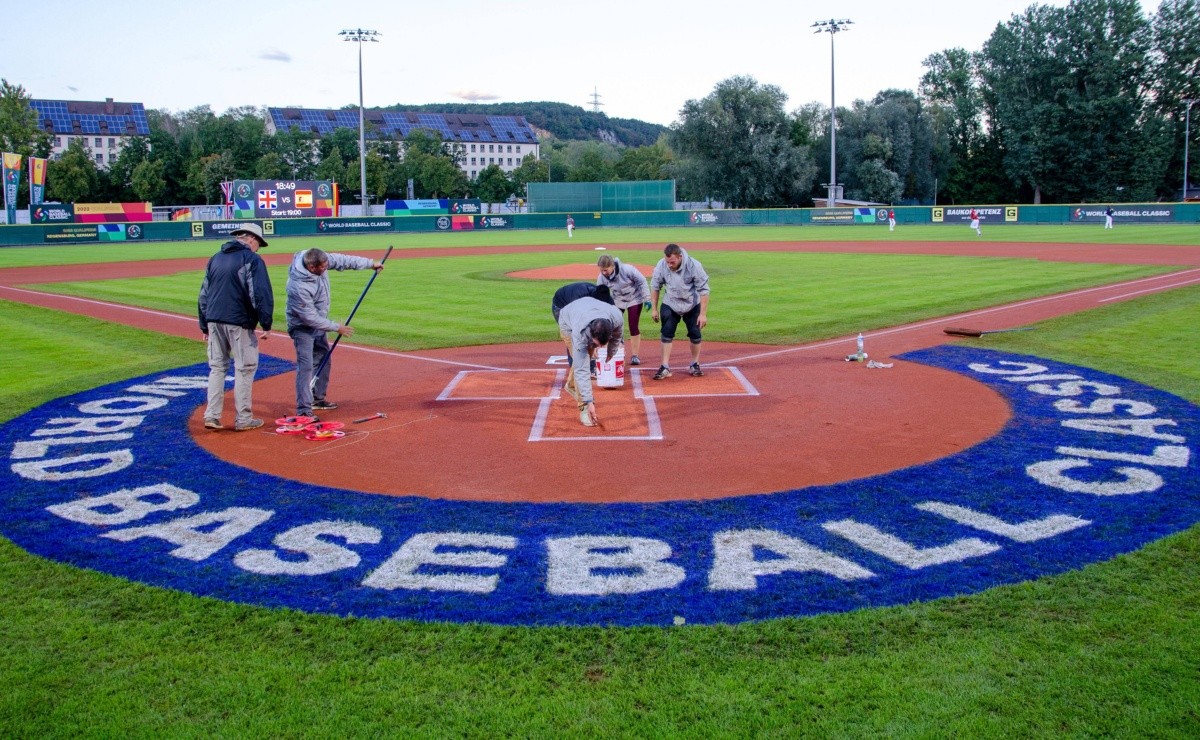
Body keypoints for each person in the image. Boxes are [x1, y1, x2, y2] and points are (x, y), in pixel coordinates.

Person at [285, 247, 383, 419]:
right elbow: (309, 318)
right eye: (322, 268)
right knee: (306, 366)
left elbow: (343, 260)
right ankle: (303, 410)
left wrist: (370, 264)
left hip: (319, 323)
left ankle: (317, 398)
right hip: (302, 327)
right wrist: (336, 327)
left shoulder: (320, 259)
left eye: (326, 266)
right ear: (312, 267)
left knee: (323, 357)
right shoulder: (298, 286)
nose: (325, 269)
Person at [197, 223, 274, 431]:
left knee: (217, 368)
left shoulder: (215, 258)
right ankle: (243, 419)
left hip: (213, 319)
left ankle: (212, 415)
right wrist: (266, 322)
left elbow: (204, 294)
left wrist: (204, 324)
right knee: (245, 368)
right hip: (238, 321)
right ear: (251, 239)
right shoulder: (251, 259)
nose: (258, 248)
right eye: (259, 243)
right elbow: (259, 293)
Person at [557, 296, 623, 427]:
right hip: (568, 323)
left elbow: (617, 335)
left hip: (587, 310)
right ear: (591, 334)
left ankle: (570, 386)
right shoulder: (579, 334)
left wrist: (611, 351)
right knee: (582, 362)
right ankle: (584, 408)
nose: (598, 347)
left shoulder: (616, 316)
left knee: (588, 354)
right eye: (596, 343)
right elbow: (582, 369)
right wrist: (589, 402)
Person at [649, 243, 710, 380]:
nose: (669, 265)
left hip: (691, 303)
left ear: (680, 257)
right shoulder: (661, 265)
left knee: (695, 334)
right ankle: (664, 366)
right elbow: (655, 286)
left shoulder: (694, 265)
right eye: (667, 262)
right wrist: (654, 309)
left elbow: (704, 290)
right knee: (666, 332)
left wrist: (703, 314)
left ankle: (695, 363)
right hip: (670, 302)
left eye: (672, 262)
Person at [596, 253, 651, 366]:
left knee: (633, 325)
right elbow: (599, 294)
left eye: (605, 270)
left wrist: (647, 299)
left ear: (612, 266)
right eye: (602, 270)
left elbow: (642, 281)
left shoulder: (627, 269)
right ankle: (618, 349)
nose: (603, 273)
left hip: (634, 298)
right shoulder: (601, 278)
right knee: (614, 325)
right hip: (617, 300)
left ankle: (635, 355)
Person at [552, 282, 613, 376]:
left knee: (593, 332)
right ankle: (576, 366)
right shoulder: (580, 299)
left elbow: (614, 322)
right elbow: (579, 328)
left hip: (579, 305)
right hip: (562, 306)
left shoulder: (608, 300)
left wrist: (617, 343)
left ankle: (588, 365)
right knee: (575, 336)